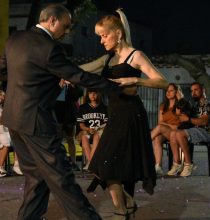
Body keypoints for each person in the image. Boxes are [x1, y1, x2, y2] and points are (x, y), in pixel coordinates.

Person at [0, 4, 119, 220]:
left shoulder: (14, 39)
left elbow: (2, 70)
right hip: (36, 120)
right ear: (52, 20)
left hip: (14, 117)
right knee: (62, 177)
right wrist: (114, 86)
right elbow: (78, 76)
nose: (67, 31)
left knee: (37, 177)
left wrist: (34, 82)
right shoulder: (50, 48)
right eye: (65, 26)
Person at [80, 9, 168, 219]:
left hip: (131, 115)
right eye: (100, 36)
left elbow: (162, 82)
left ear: (118, 34)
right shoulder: (108, 58)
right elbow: (83, 69)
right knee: (104, 165)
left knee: (106, 164)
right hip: (115, 115)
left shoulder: (135, 55)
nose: (101, 41)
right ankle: (128, 203)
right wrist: (60, 72)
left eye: (104, 35)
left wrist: (136, 80)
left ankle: (121, 211)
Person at [167, 82, 210, 177]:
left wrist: (188, 119)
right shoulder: (196, 104)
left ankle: (189, 164)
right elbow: (185, 115)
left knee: (179, 134)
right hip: (196, 130)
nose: (193, 93)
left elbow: (203, 122)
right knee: (173, 133)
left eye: (196, 90)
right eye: (191, 91)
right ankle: (177, 163)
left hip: (207, 133)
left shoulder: (208, 103)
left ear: (203, 90)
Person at [151, 83, 182, 175]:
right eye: (167, 91)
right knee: (157, 138)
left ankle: (143, 143)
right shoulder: (163, 106)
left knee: (160, 128)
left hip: (177, 132)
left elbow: (180, 124)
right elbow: (160, 122)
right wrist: (167, 125)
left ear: (176, 92)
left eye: (171, 90)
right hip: (165, 132)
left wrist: (180, 99)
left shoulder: (180, 105)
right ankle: (158, 166)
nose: (168, 93)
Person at [76, 88, 108, 171]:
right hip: (88, 131)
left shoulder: (104, 108)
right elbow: (81, 125)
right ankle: (91, 162)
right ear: (88, 95)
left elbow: (106, 124)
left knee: (97, 136)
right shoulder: (83, 107)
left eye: (95, 93)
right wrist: (88, 129)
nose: (92, 95)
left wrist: (99, 128)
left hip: (100, 132)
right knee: (84, 137)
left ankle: (90, 163)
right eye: (90, 93)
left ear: (99, 94)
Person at [55, 79, 83, 171]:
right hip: (58, 117)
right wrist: (60, 86)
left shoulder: (72, 86)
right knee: (57, 140)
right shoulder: (56, 84)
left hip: (70, 117)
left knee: (70, 139)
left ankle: (73, 162)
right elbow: (54, 98)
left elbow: (79, 94)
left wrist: (73, 84)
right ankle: (58, 162)